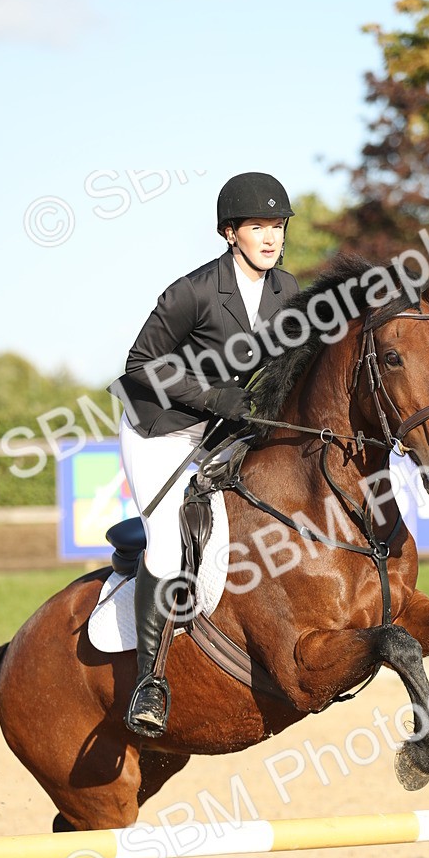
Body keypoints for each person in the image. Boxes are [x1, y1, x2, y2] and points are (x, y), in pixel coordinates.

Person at [108, 172, 299, 738]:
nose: (271, 237)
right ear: (229, 233)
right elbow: (140, 364)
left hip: (223, 429)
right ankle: (149, 681)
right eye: (258, 226)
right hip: (161, 429)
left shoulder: (287, 292)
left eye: (278, 226)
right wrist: (216, 396)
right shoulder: (190, 291)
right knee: (168, 548)